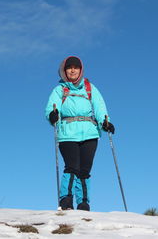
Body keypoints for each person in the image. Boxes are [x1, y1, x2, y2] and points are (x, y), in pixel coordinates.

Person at [45, 56, 115, 211]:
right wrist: (52, 115)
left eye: (76, 67)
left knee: (84, 170)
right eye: (69, 67)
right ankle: (66, 201)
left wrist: (105, 122)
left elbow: (99, 108)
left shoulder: (90, 88)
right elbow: (51, 107)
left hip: (90, 133)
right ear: (64, 71)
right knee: (72, 167)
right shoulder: (59, 90)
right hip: (68, 134)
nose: (72, 70)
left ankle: (83, 204)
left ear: (80, 70)